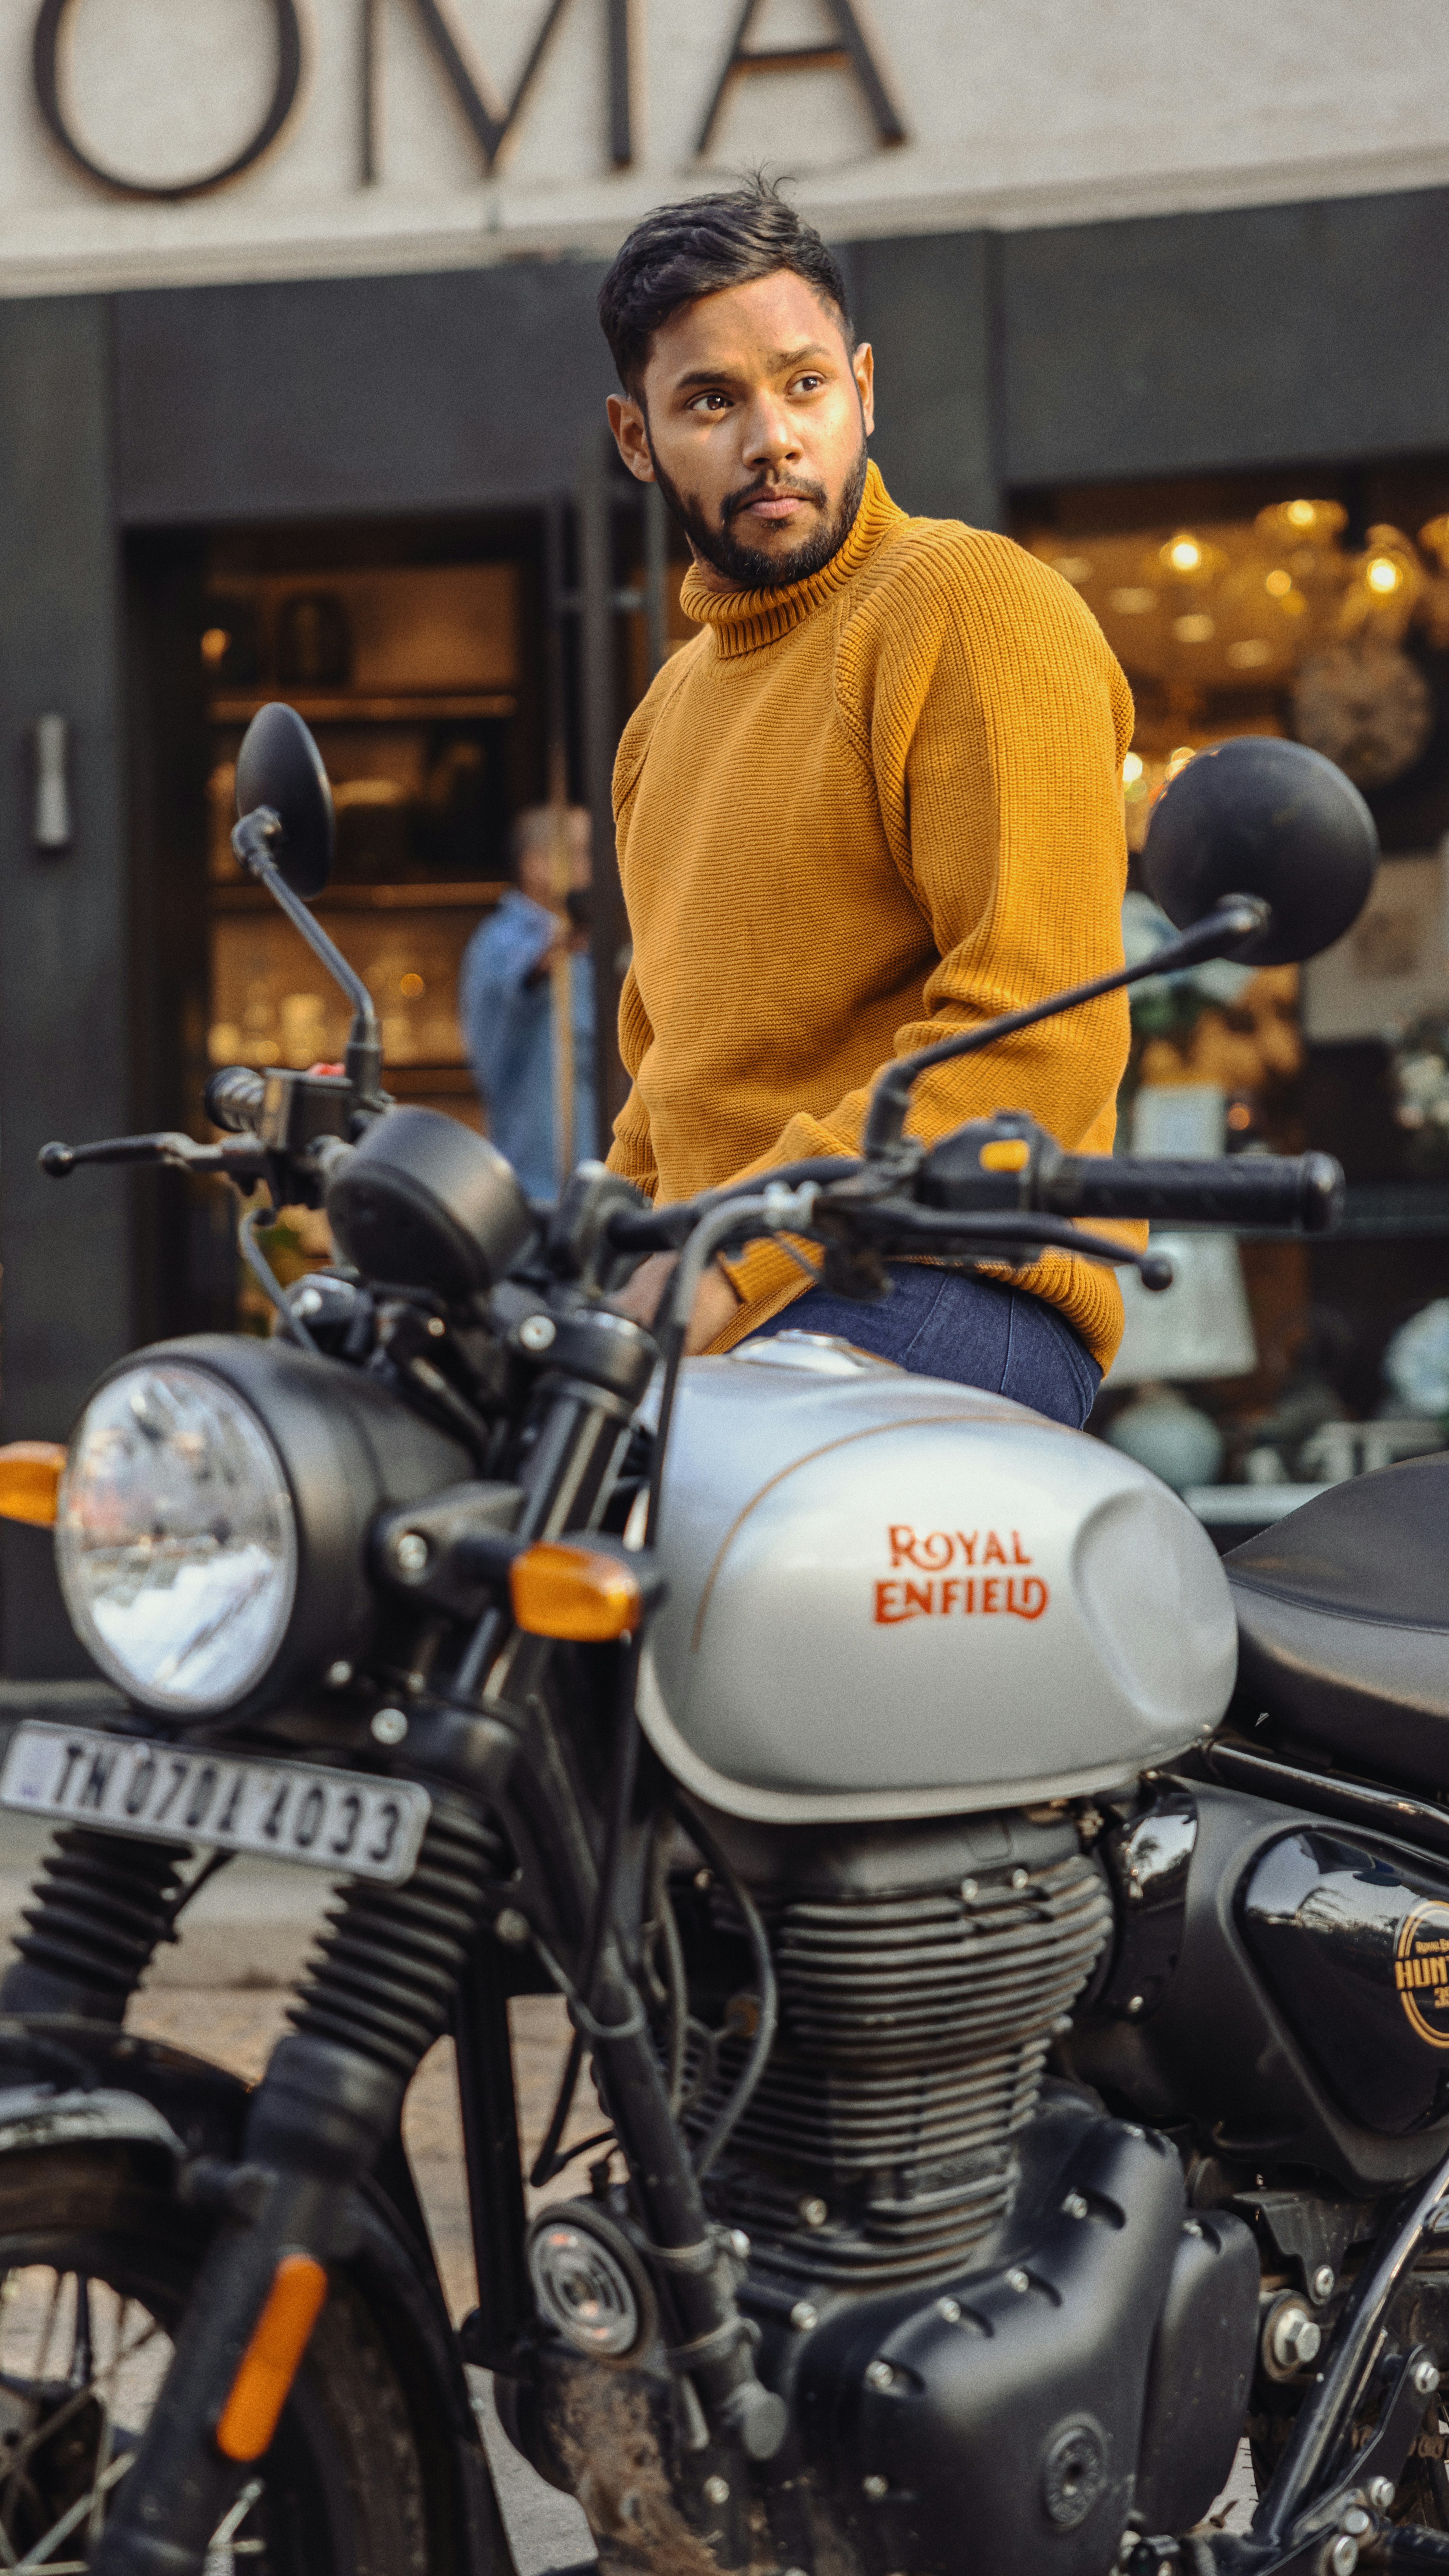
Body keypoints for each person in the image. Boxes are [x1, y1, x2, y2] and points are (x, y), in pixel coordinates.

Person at [597, 177, 1138, 1428]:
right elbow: (664, 1089)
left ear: (865, 391)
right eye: (711, 401)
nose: (770, 438)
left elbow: (1037, 1035)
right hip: (727, 1299)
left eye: (804, 385)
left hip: (946, 1275)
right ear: (638, 439)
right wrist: (583, 1260)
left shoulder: (970, 606)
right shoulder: (660, 724)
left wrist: (728, 1263)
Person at [459, 805, 597, 1199]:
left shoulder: (591, 945)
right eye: (582, 852)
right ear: (537, 864)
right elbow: (528, 976)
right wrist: (569, 938)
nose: (600, 863)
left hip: (605, 1176)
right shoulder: (502, 940)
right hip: (539, 1184)